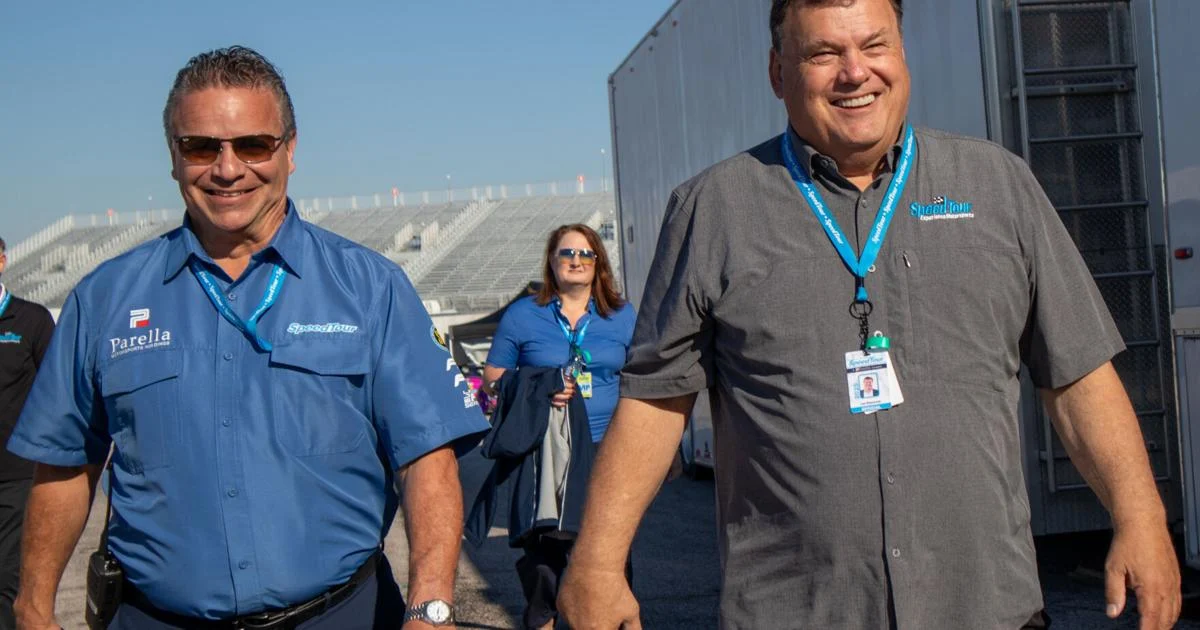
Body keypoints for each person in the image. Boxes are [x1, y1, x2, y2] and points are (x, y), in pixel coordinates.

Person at [557, 1, 1181, 629]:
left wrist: (1141, 518)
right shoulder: (712, 210)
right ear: (778, 73)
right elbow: (656, 400)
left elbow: (1077, 375)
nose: (855, 72)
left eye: (874, 46)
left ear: (902, 54)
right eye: (823, 53)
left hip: (986, 608)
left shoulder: (1000, 187)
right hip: (797, 613)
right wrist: (597, 564)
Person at [7, 46, 489, 630]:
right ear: (173, 156)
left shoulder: (371, 288)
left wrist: (430, 608)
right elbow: (66, 464)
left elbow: (427, 459)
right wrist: (34, 605)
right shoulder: (104, 298)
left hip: (340, 615)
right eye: (201, 146)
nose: (228, 169)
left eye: (253, 145)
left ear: (290, 150)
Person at [481, 224, 635, 629]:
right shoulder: (523, 314)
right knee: (545, 545)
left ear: (598, 262)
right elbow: (492, 377)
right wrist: (539, 384)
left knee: (608, 544)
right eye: (567, 253)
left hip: (606, 445)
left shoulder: (622, 316)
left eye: (586, 254)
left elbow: (643, 378)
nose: (576, 261)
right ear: (551, 261)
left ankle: (609, 617)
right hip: (544, 447)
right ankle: (542, 618)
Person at [0, 238, 54, 630]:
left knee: (7, 574)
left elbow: (53, 393)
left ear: (2, 261)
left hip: (16, 472)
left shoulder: (32, 320)